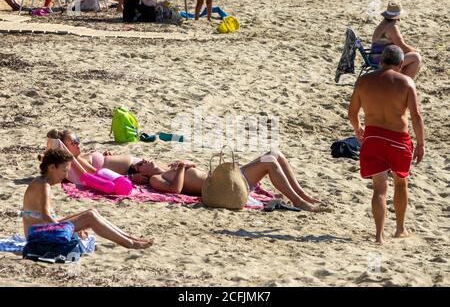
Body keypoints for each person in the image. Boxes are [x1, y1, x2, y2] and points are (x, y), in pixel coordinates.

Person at [348, 45, 425, 244]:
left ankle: (379, 235)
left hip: (373, 138)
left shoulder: (364, 81)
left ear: (380, 62)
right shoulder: (406, 82)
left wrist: (358, 129)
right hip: (398, 139)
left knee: (379, 189)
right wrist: (421, 144)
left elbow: (352, 113)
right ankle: (400, 229)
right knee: (401, 182)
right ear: (401, 64)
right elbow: (416, 117)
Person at [23, 149, 153, 249]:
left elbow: (44, 217)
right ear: (52, 168)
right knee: (90, 216)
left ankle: (130, 238)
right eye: (64, 170)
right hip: (37, 235)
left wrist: (72, 227)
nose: (66, 175)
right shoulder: (44, 185)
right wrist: (66, 230)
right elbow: (46, 216)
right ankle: (130, 243)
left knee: (92, 212)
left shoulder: (42, 182)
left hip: (38, 230)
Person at [130, 150, 329, 212]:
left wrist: (188, 163)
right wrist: (183, 167)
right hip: (222, 188)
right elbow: (175, 191)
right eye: (139, 165)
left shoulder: (168, 165)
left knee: (274, 153)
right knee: (269, 161)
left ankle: (303, 195)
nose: (144, 160)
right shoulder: (157, 178)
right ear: (143, 174)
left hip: (227, 179)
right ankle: (298, 201)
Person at [44, 129, 143, 184]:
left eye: (77, 140)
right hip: (133, 170)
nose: (78, 144)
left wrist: (105, 157)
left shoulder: (79, 157)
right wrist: (131, 177)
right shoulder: (76, 161)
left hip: (135, 165)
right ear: (65, 148)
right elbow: (97, 175)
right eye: (73, 142)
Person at [371, 2, 422, 79]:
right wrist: (415, 50)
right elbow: (402, 46)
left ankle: (399, 81)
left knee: (409, 56)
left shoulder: (383, 23)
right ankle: (404, 85)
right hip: (382, 60)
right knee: (416, 57)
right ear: (398, 17)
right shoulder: (392, 27)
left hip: (375, 57)